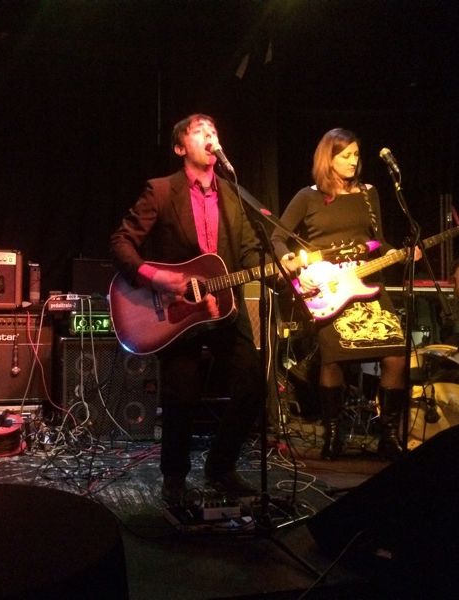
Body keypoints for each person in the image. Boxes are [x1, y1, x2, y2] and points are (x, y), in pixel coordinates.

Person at [110, 114, 263, 503]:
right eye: (199, 131)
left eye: (214, 130)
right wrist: (155, 277)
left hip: (224, 307)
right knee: (182, 394)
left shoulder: (234, 194)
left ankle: (220, 467)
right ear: (181, 147)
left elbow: (248, 250)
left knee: (253, 384)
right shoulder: (161, 191)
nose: (210, 134)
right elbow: (121, 243)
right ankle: (175, 478)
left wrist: (280, 270)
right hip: (175, 311)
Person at [271, 127, 420, 461]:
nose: (354, 161)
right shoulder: (307, 196)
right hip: (329, 288)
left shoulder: (369, 193)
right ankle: (333, 435)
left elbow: (377, 240)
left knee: (396, 354)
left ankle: (388, 436)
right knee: (333, 358)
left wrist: (397, 253)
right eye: (346, 155)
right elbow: (277, 237)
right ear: (329, 158)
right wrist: (290, 261)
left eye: (356, 155)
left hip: (367, 283)